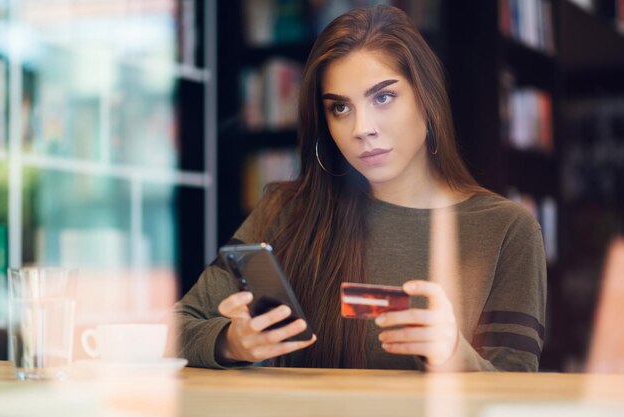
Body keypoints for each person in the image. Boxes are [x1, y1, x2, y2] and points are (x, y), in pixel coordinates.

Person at [174, 5, 546, 371]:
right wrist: (233, 342)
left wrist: (454, 354)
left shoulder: (508, 229)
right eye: (340, 108)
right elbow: (180, 326)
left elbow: (514, 388)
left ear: (427, 98)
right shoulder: (286, 209)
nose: (360, 128)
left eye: (383, 97)